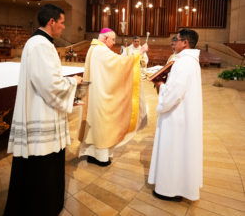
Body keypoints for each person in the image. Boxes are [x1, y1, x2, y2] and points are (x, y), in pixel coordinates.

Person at [4, 4, 83, 216]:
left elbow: (48, 79)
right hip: (41, 112)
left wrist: (66, 82)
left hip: (43, 107)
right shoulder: (40, 45)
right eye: (62, 22)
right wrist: (73, 82)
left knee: (43, 163)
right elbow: (49, 84)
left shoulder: (40, 43)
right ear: (51, 22)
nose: (64, 27)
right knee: (41, 163)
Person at [78, 28, 148, 166]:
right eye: (113, 39)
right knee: (102, 124)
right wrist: (140, 53)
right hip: (100, 94)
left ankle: (93, 154)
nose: (114, 42)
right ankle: (100, 157)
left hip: (96, 92)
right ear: (105, 38)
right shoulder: (100, 50)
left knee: (95, 124)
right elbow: (119, 64)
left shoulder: (94, 48)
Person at [148, 29, 202, 201]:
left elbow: (172, 95)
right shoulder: (190, 61)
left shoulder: (184, 63)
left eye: (176, 39)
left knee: (173, 151)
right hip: (184, 115)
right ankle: (180, 186)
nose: (173, 42)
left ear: (185, 42)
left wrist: (160, 85)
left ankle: (168, 189)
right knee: (181, 152)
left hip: (176, 117)